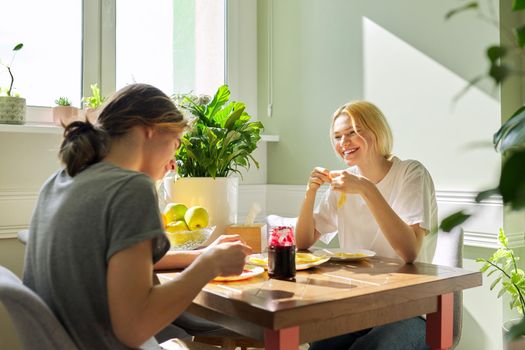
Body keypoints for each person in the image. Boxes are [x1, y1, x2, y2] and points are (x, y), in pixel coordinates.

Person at [23, 83, 252, 350]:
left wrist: (202, 254)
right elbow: (134, 327)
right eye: (176, 144)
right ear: (150, 129)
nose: (174, 161)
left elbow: (118, 264)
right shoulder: (131, 188)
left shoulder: (58, 182)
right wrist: (209, 265)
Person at [296, 101, 437, 350]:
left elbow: (410, 251)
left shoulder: (411, 173)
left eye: (353, 132)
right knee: (320, 346)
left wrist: (365, 188)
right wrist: (310, 193)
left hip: (411, 308)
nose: (344, 142)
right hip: (358, 305)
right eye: (338, 136)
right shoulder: (342, 185)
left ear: (377, 131)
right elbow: (304, 242)